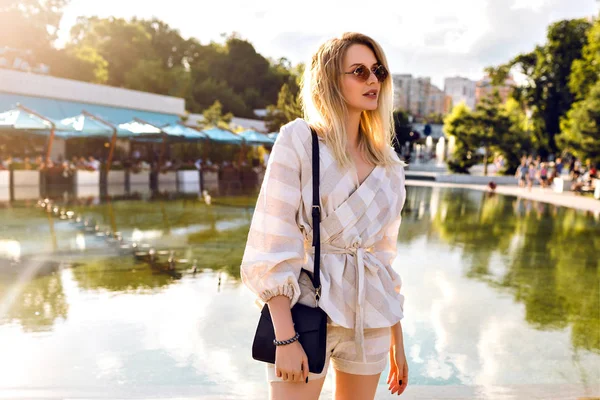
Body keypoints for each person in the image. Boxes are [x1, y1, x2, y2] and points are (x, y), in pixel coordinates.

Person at [240, 32, 408, 400]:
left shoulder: (390, 166)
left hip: (372, 318)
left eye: (377, 70)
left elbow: (383, 258)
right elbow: (273, 239)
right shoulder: (299, 140)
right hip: (305, 310)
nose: (373, 80)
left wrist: (397, 337)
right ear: (330, 80)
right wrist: (284, 336)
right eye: (359, 71)